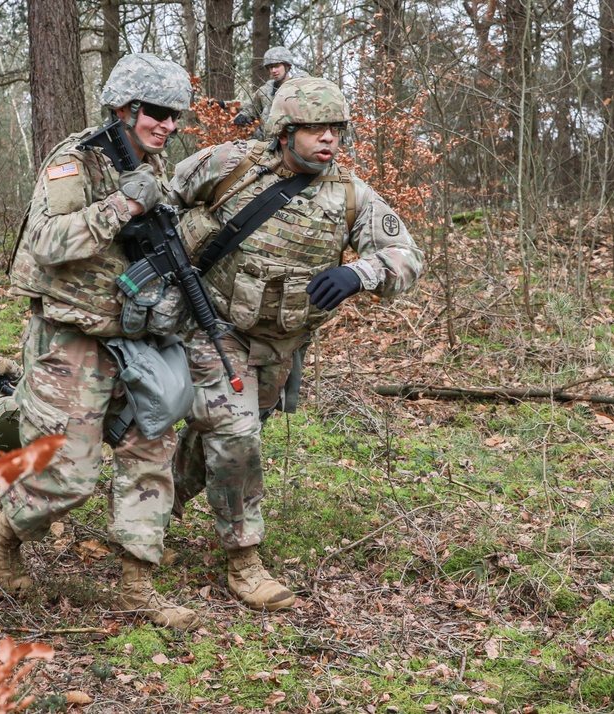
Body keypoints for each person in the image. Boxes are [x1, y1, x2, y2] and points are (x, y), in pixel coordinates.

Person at [169, 77, 424, 611]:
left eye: (335, 128)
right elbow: (162, 206)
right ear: (284, 132)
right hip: (212, 327)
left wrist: (363, 272)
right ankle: (243, 562)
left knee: (214, 439)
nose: (327, 138)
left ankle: (152, 510)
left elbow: (406, 257)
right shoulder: (228, 165)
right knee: (236, 436)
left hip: (280, 346)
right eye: (314, 128)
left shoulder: (351, 195)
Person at [0, 53, 199, 629]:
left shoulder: (152, 164)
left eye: (176, 117)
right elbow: (49, 243)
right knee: (67, 477)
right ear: (126, 108)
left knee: (152, 454)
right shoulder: (73, 162)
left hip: (137, 336)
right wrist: (124, 203)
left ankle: (137, 582)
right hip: (70, 337)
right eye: (159, 114)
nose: (169, 126)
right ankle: (1, 531)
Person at [232, 46, 307, 139]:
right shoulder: (265, 91)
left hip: (294, 141)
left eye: (277, 66)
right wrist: (243, 116)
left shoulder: (301, 88)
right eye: (271, 67)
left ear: (287, 66)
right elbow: (250, 107)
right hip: (267, 142)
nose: (273, 71)